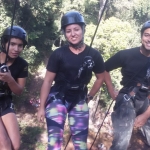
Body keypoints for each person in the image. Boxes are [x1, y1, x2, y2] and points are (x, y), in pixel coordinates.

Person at [37, 10, 105, 150]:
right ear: (65, 33)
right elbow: (48, 81)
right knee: (54, 143)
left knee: (81, 145)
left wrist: (90, 96)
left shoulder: (94, 55)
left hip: (79, 99)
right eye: (68, 31)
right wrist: (41, 107)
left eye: (76, 29)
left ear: (83, 29)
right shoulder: (58, 54)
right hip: (58, 97)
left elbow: (100, 78)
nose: (73, 34)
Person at [105, 20, 150, 150]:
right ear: (141, 36)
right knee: (122, 142)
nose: (149, 39)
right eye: (147, 35)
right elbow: (104, 69)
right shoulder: (126, 55)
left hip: (145, 101)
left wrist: (146, 115)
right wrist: (111, 90)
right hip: (126, 98)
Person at [0, 26, 28, 150]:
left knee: (15, 146)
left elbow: (19, 91)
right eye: (12, 44)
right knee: (5, 144)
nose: (16, 49)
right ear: (4, 43)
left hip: (4, 101)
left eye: (20, 45)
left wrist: (10, 80)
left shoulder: (22, 64)